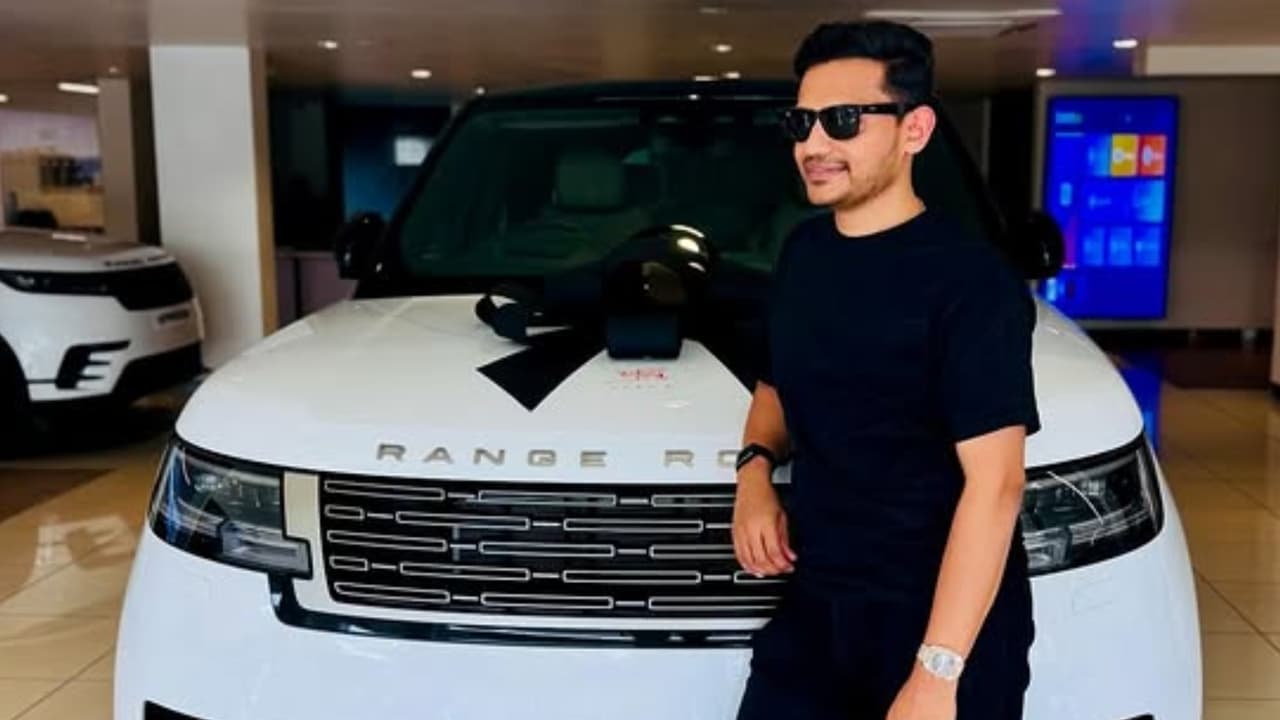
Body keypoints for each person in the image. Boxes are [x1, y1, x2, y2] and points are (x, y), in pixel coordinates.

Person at [731, 20, 1041, 720]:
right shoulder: (805, 254)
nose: (813, 145)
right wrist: (754, 472)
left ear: (915, 129)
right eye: (802, 122)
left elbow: (996, 485)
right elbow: (776, 382)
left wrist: (937, 673)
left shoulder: (971, 283)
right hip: (818, 604)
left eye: (843, 121)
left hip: (939, 620)